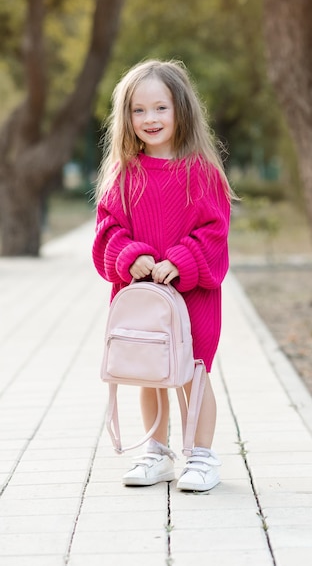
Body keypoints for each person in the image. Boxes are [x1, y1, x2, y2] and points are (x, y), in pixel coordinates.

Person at [92, 59, 233, 491]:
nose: (150, 119)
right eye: (139, 110)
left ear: (181, 110)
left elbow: (214, 231)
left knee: (193, 372)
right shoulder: (124, 174)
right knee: (149, 370)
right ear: (126, 117)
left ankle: (202, 457)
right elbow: (107, 230)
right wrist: (129, 255)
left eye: (160, 108)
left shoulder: (201, 173)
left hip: (192, 297)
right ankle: (156, 451)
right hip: (141, 296)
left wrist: (182, 260)